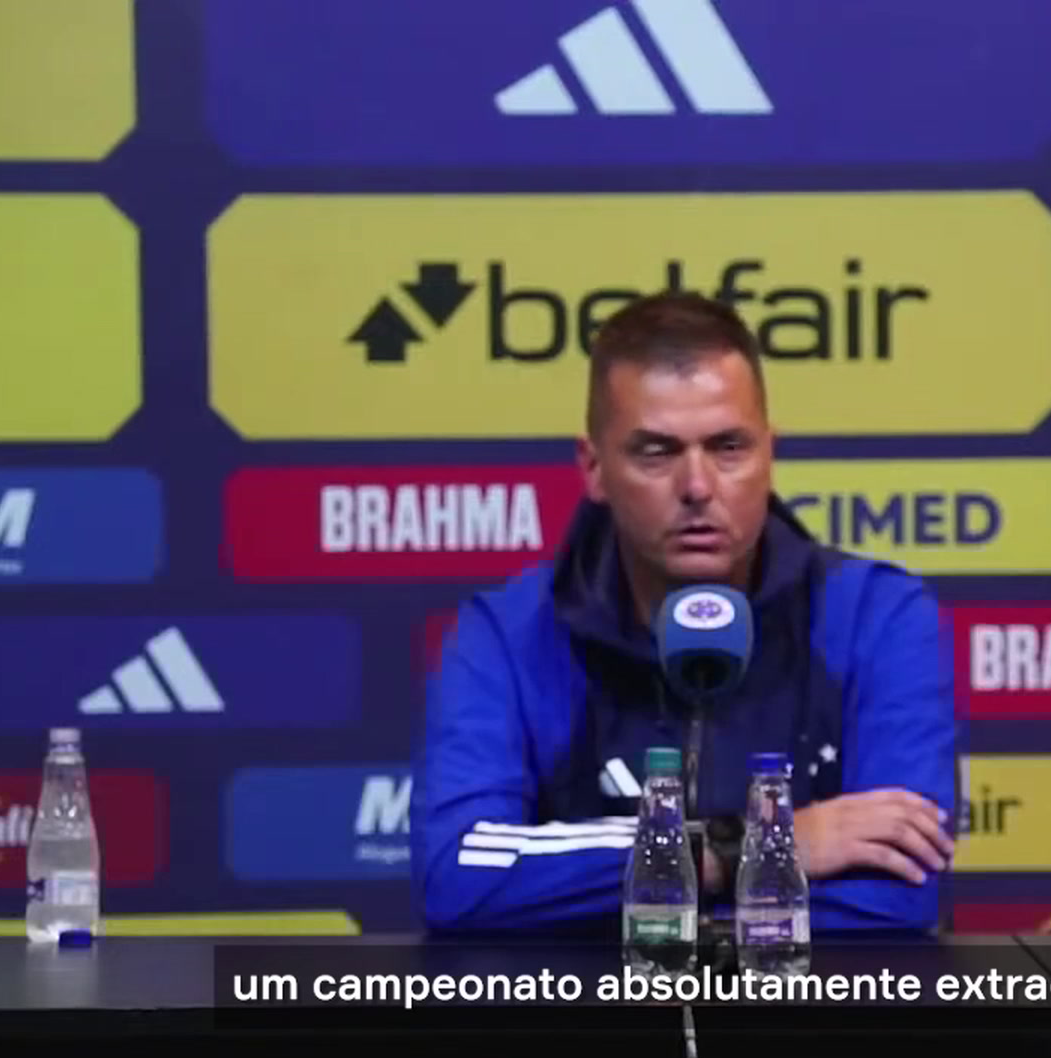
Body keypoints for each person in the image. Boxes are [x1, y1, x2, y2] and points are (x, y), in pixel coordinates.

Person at [409, 291, 959, 937]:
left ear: (769, 454)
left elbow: (899, 894)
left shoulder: (877, 617)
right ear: (594, 468)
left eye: (729, 448)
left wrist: (638, 909)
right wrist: (749, 846)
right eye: (656, 452)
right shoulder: (507, 635)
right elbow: (458, 872)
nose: (697, 487)